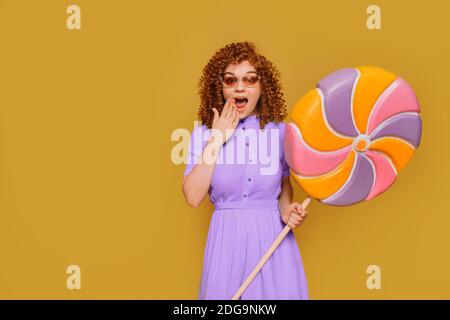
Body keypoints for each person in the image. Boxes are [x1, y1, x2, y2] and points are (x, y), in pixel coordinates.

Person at [182, 42, 308, 300]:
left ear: (262, 88)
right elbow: (193, 197)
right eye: (231, 80)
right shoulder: (203, 134)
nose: (240, 87)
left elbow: (284, 183)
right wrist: (217, 138)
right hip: (226, 243)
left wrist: (287, 209)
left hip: (274, 242)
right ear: (221, 87)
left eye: (250, 80)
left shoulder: (280, 132)